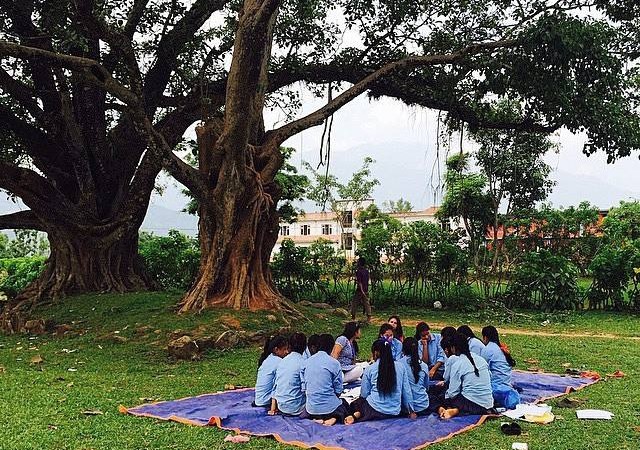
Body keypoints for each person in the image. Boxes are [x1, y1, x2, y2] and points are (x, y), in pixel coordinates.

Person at [344, 339, 416, 424]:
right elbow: (406, 391)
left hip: (374, 410)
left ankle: (357, 414)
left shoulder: (370, 369)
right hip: (395, 411)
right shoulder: (401, 367)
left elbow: (364, 394)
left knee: (355, 404)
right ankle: (358, 413)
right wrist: (411, 411)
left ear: (376, 353)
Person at [438, 332, 493, 419]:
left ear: (453, 348)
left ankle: (454, 409)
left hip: (471, 404)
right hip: (488, 404)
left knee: (442, 395)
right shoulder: (481, 360)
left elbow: (453, 393)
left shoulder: (458, 364)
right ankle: (456, 409)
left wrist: (446, 395)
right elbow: (489, 378)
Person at [300, 334, 348, 426]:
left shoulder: (306, 362)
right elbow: (338, 390)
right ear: (331, 348)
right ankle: (334, 417)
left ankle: (316, 418)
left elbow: (304, 389)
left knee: (316, 408)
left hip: (311, 409)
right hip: (329, 408)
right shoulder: (334, 363)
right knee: (344, 405)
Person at [480, 326, 520, 409]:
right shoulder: (500, 347)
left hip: (495, 387)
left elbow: (481, 369)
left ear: (485, 337)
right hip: (506, 385)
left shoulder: (488, 349)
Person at [269, 333, 307, 416]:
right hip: (296, 408)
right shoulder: (304, 363)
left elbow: (275, 386)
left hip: (281, 406)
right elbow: (307, 390)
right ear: (305, 347)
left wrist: (273, 408)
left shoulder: (282, 362)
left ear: (289, 346)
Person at [254, 335, 289, 408]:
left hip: (260, 399)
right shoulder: (279, 362)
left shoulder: (269, 358)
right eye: (284, 349)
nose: (287, 352)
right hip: (266, 401)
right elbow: (278, 386)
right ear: (276, 349)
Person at [401, 337, 431, 415]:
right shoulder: (424, 365)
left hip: (405, 408)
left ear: (403, 349)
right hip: (423, 405)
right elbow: (426, 387)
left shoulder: (398, 365)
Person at [351, 257, 372, 322]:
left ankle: (353, 317)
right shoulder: (366, 271)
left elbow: (359, 283)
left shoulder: (358, 271)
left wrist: (362, 291)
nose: (357, 263)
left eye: (358, 262)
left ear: (359, 263)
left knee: (355, 303)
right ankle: (369, 317)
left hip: (360, 290)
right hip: (366, 289)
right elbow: (367, 280)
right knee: (366, 303)